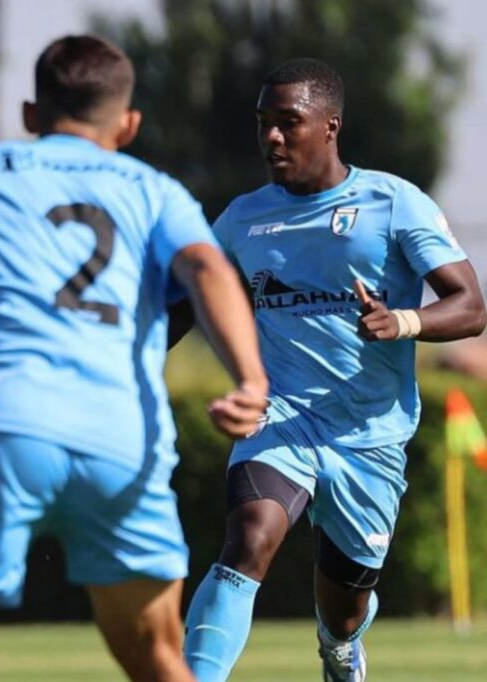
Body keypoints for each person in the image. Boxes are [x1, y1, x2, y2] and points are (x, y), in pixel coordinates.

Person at [0, 35, 269, 682]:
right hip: (122, 440)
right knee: (161, 660)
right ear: (128, 123)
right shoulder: (156, 190)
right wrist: (251, 378)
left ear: (32, 115)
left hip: (2, 430)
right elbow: (205, 265)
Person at [181, 58, 487, 682]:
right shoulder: (242, 218)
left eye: (288, 123)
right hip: (281, 417)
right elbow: (186, 301)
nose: (271, 137)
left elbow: (471, 305)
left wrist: (405, 322)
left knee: (343, 608)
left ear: (329, 126)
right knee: (248, 539)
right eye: (263, 123)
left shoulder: (393, 202)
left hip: (370, 434)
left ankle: (339, 649)